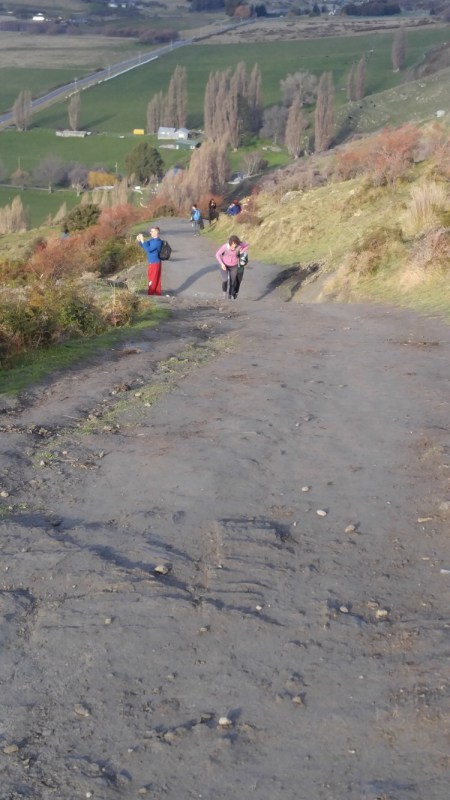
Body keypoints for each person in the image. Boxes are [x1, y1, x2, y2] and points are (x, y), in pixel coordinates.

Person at [216, 234, 249, 300]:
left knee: (233, 282)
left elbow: (247, 245)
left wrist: (242, 251)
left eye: (235, 245)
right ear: (230, 243)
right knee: (225, 280)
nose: (233, 247)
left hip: (234, 266)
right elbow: (217, 254)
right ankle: (224, 295)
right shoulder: (225, 247)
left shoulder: (239, 245)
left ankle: (230, 296)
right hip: (224, 265)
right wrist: (222, 264)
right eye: (232, 246)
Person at [136, 227, 163, 296]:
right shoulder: (152, 240)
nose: (150, 232)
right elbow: (145, 246)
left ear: (156, 232)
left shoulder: (157, 242)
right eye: (150, 231)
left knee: (152, 279)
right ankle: (158, 294)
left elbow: (148, 249)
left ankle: (150, 294)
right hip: (154, 262)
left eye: (152, 231)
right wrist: (139, 241)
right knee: (155, 278)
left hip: (154, 262)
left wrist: (142, 240)